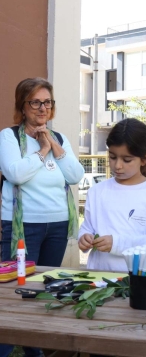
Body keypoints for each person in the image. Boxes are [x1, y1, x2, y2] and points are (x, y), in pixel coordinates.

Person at [0, 77, 84, 357]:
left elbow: (75, 175)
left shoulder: (59, 138)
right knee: (16, 288)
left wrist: (51, 143)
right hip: (24, 226)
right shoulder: (9, 137)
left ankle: (34, 349)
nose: (42, 108)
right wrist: (42, 151)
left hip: (58, 225)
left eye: (47, 102)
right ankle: (5, 345)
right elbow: (15, 174)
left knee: (43, 287)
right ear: (22, 106)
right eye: (35, 102)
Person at [78, 118, 146, 272]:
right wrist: (84, 237)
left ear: (144, 160)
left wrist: (117, 244)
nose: (117, 165)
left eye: (127, 159)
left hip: (138, 279)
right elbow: (87, 227)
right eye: (113, 157)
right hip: (99, 278)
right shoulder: (97, 192)